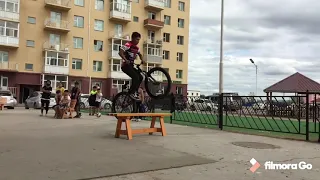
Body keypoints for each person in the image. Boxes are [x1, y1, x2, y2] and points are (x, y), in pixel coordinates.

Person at [119, 32, 146, 99]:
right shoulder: (128, 44)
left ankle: (134, 91)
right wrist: (125, 59)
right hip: (125, 66)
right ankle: (132, 92)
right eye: (137, 39)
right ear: (133, 38)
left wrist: (142, 60)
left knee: (140, 77)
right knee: (136, 77)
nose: (138, 41)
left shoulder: (137, 48)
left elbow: (140, 54)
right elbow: (120, 52)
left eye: (139, 40)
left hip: (131, 66)